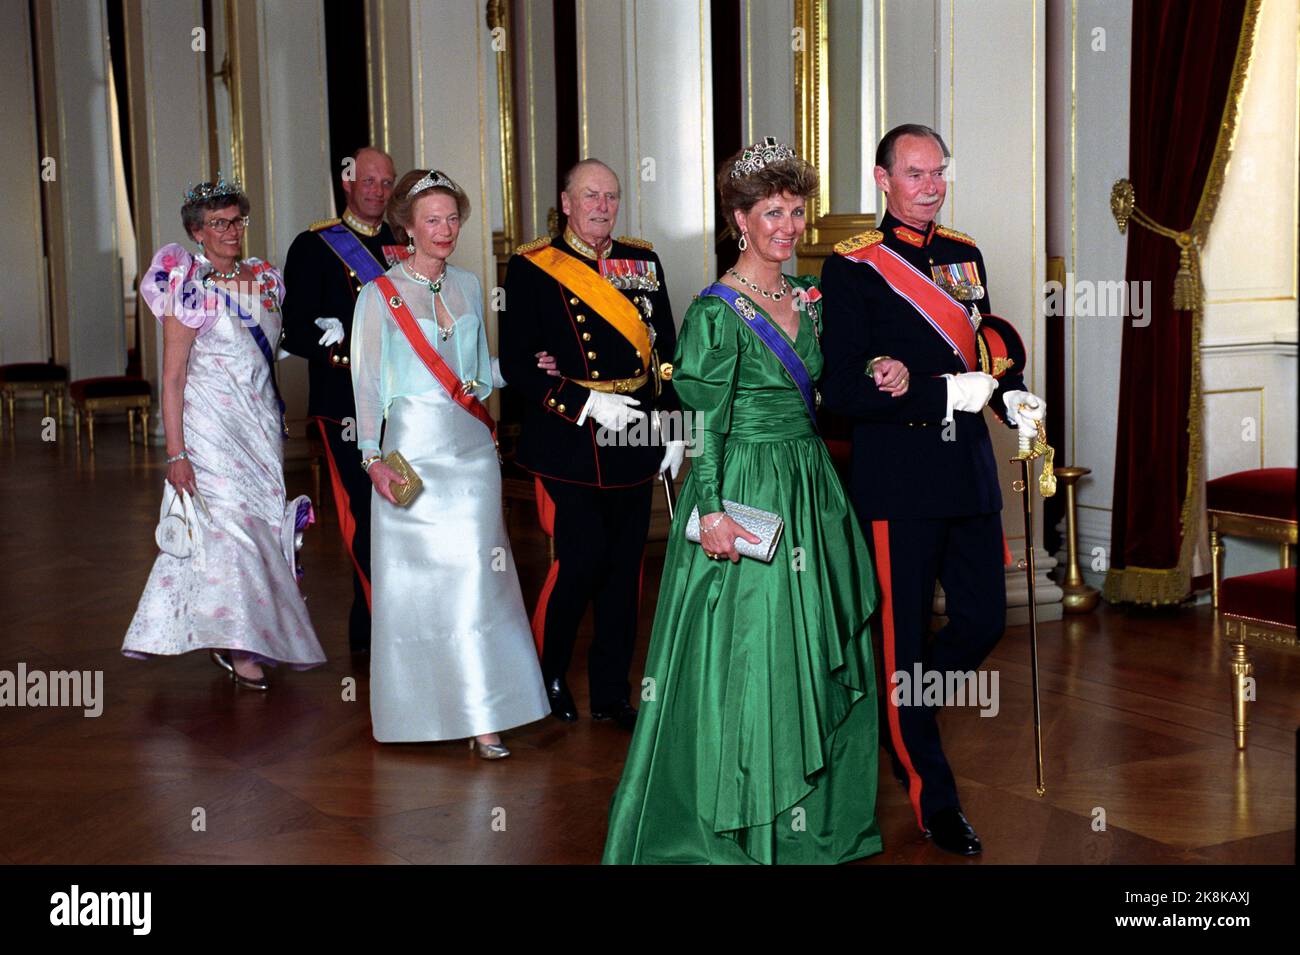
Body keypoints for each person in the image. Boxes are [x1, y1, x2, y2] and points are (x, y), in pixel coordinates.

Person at [603, 139, 909, 864]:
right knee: (755, 656)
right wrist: (706, 511)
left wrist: (876, 363)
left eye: (796, 211)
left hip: (811, 488)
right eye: (772, 212)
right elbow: (700, 424)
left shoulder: (808, 296)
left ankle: (814, 826)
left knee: (817, 650)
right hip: (743, 488)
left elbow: (836, 376)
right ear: (740, 219)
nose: (788, 226)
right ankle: (737, 826)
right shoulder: (716, 312)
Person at [819, 123, 1046, 855]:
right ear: (882, 179)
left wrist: (1010, 395)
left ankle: (898, 704)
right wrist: (943, 393)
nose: (930, 185)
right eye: (915, 174)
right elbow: (841, 389)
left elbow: (984, 347)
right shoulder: (852, 267)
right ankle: (934, 799)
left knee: (982, 622)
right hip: (900, 481)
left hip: (969, 475)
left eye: (938, 172)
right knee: (904, 639)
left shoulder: (964, 254)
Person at [350, 168, 550, 758]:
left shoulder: (467, 283)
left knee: (478, 581)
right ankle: (435, 708)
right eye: (432, 219)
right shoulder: (377, 295)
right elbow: (366, 387)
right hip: (410, 452)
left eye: (453, 217)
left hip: (470, 452)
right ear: (407, 227)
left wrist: (524, 369)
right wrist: (370, 459)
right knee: (419, 586)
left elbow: (479, 374)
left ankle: (485, 709)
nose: (446, 229)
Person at [498, 159, 684, 731]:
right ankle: (545, 676)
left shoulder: (642, 259)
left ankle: (611, 690)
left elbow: (667, 355)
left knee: (626, 572)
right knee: (580, 563)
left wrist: (674, 428)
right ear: (566, 201)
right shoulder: (532, 266)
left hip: (633, 429)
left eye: (611, 196)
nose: (602, 206)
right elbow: (517, 365)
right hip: (569, 438)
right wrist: (581, 403)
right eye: (591, 196)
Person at [123, 175, 326, 688]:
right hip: (209, 428)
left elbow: (272, 353)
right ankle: (240, 644)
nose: (230, 231)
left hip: (259, 428)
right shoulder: (187, 288)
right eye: (218, 223)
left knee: (260, 529)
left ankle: (245, 628)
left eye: (236, 220)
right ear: (197, 231)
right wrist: (176, 454)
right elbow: (171, 378)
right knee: (232, 528)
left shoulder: (264, 279)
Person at [282, 146, 407, 656]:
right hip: (347, 404)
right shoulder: (314, 246)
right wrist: (330, 337)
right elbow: (292, 330)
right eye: (369, 181)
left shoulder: (405, 241)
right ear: (348, 184)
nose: (377, 191)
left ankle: (393, 615)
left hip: (401, 401)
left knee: (403, 502)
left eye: (386, 183)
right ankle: (373, 619)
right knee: (365, 508)